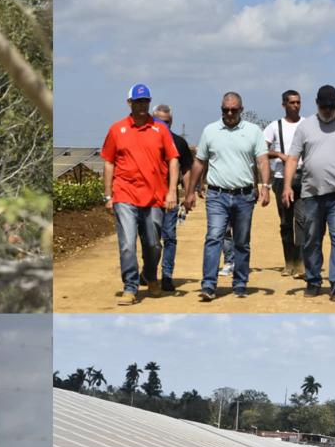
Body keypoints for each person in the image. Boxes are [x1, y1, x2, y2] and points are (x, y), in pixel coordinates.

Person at [283, 85, 335, 302]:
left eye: (331, 107)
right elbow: (292, 158)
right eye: (324, 107)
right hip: (312, 193)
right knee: (311, 239)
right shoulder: (306, 127)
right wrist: (286, 187)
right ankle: (313, 279)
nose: (328, 111)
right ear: (317, 104)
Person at [184, 92, 270, 301]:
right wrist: (190, 192)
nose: (229, 113)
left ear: (241, 109)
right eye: (225, 110)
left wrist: (265, 186)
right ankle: (208, 285)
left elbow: (263, 160)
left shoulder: (253, 131)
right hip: (217, 195)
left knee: (241, 241)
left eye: (234, 109)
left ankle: (240, 283)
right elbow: (199, 162)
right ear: (221, 110)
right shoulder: (210, 131)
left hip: (244, 196)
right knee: (214, 237)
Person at [101, 84, 179, 305]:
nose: (142, 105)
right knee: (127, 243)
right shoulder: (117, 129)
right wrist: (108, 196)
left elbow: (173, 159)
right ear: (130, 103)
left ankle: (151, 276)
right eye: (138, 102)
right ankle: (130, 286)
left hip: (154, 196)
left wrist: (172, 191)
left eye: (145, 101)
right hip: (125, 194)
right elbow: (108, 163)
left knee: (153, 243)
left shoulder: (160, 129)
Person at [263, 89, 306, 276]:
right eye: (292, 102)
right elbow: (261, 150)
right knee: (286, 223)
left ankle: (301, 262)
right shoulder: (274, 126)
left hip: (305, 178)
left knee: (303, 221)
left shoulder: (308, 124)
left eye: (298, 102)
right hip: (281, 179)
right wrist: (279, 155)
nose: (295, 105)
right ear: (284, 105)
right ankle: (289, 261)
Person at [153, 103, 195, 291]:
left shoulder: (179, 143)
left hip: (169, 199)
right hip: (147, 199)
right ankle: (149, 272)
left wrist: (189, 194)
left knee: (169, 237)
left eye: (167, 122)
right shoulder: (145, 140)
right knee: (150, 240)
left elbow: (186, 170)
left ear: (172, 122)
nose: (163, 125)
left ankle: (167, 275)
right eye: (159, 121)